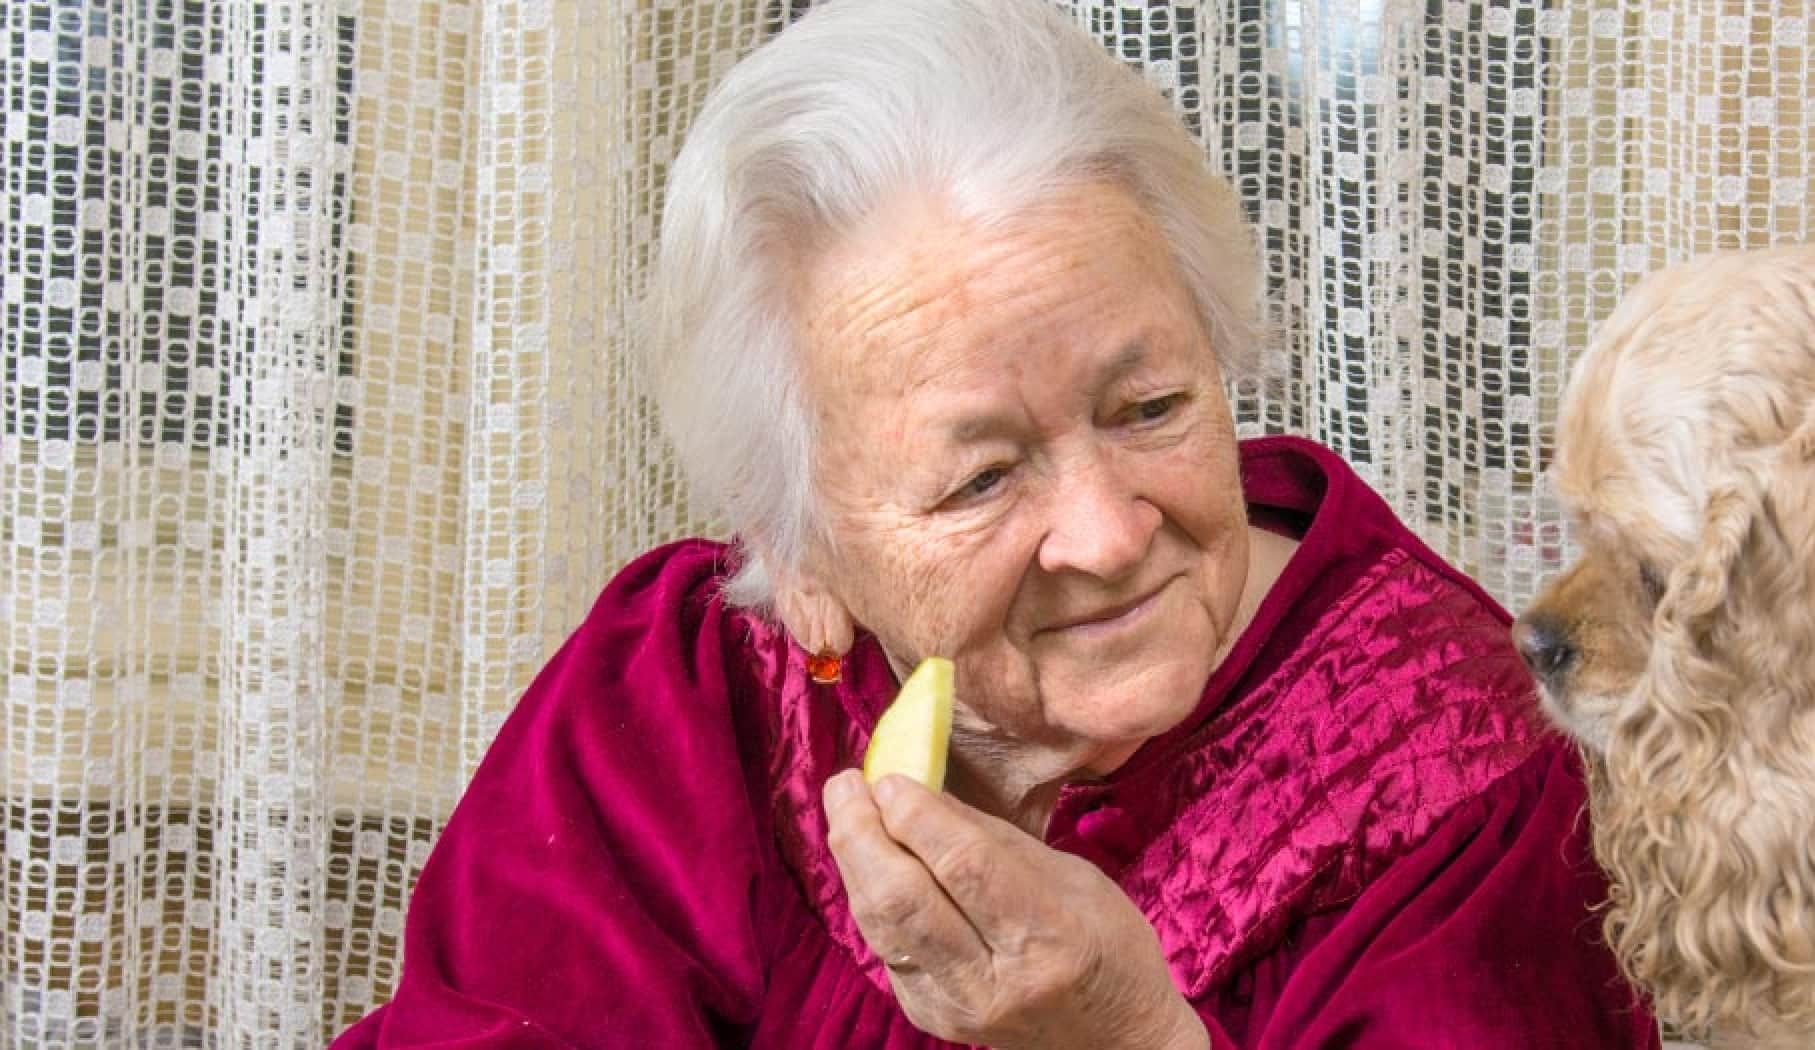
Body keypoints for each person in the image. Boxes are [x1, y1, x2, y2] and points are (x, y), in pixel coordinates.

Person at [334, 0, 1656, 1045]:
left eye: (1147, 405)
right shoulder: (681, 703)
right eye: (982, 478)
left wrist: (1136, 1042)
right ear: (798, 555)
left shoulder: (1457, 773)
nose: (1108, 530)